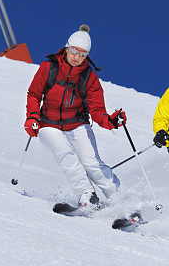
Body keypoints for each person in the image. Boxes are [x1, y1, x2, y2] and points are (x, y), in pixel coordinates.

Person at [25, 25, 126, 208]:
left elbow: (97, 111)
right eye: (74, 51)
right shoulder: (49, 68)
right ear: (66, 47)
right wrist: (32, 117)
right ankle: (87, 195)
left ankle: (119, 199)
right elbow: (34, 94)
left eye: (83, 54)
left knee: (92, 164)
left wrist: (110, 121)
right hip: (48, 124)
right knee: (65, 153)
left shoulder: (89, 77)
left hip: (77, 124)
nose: (77, 57)